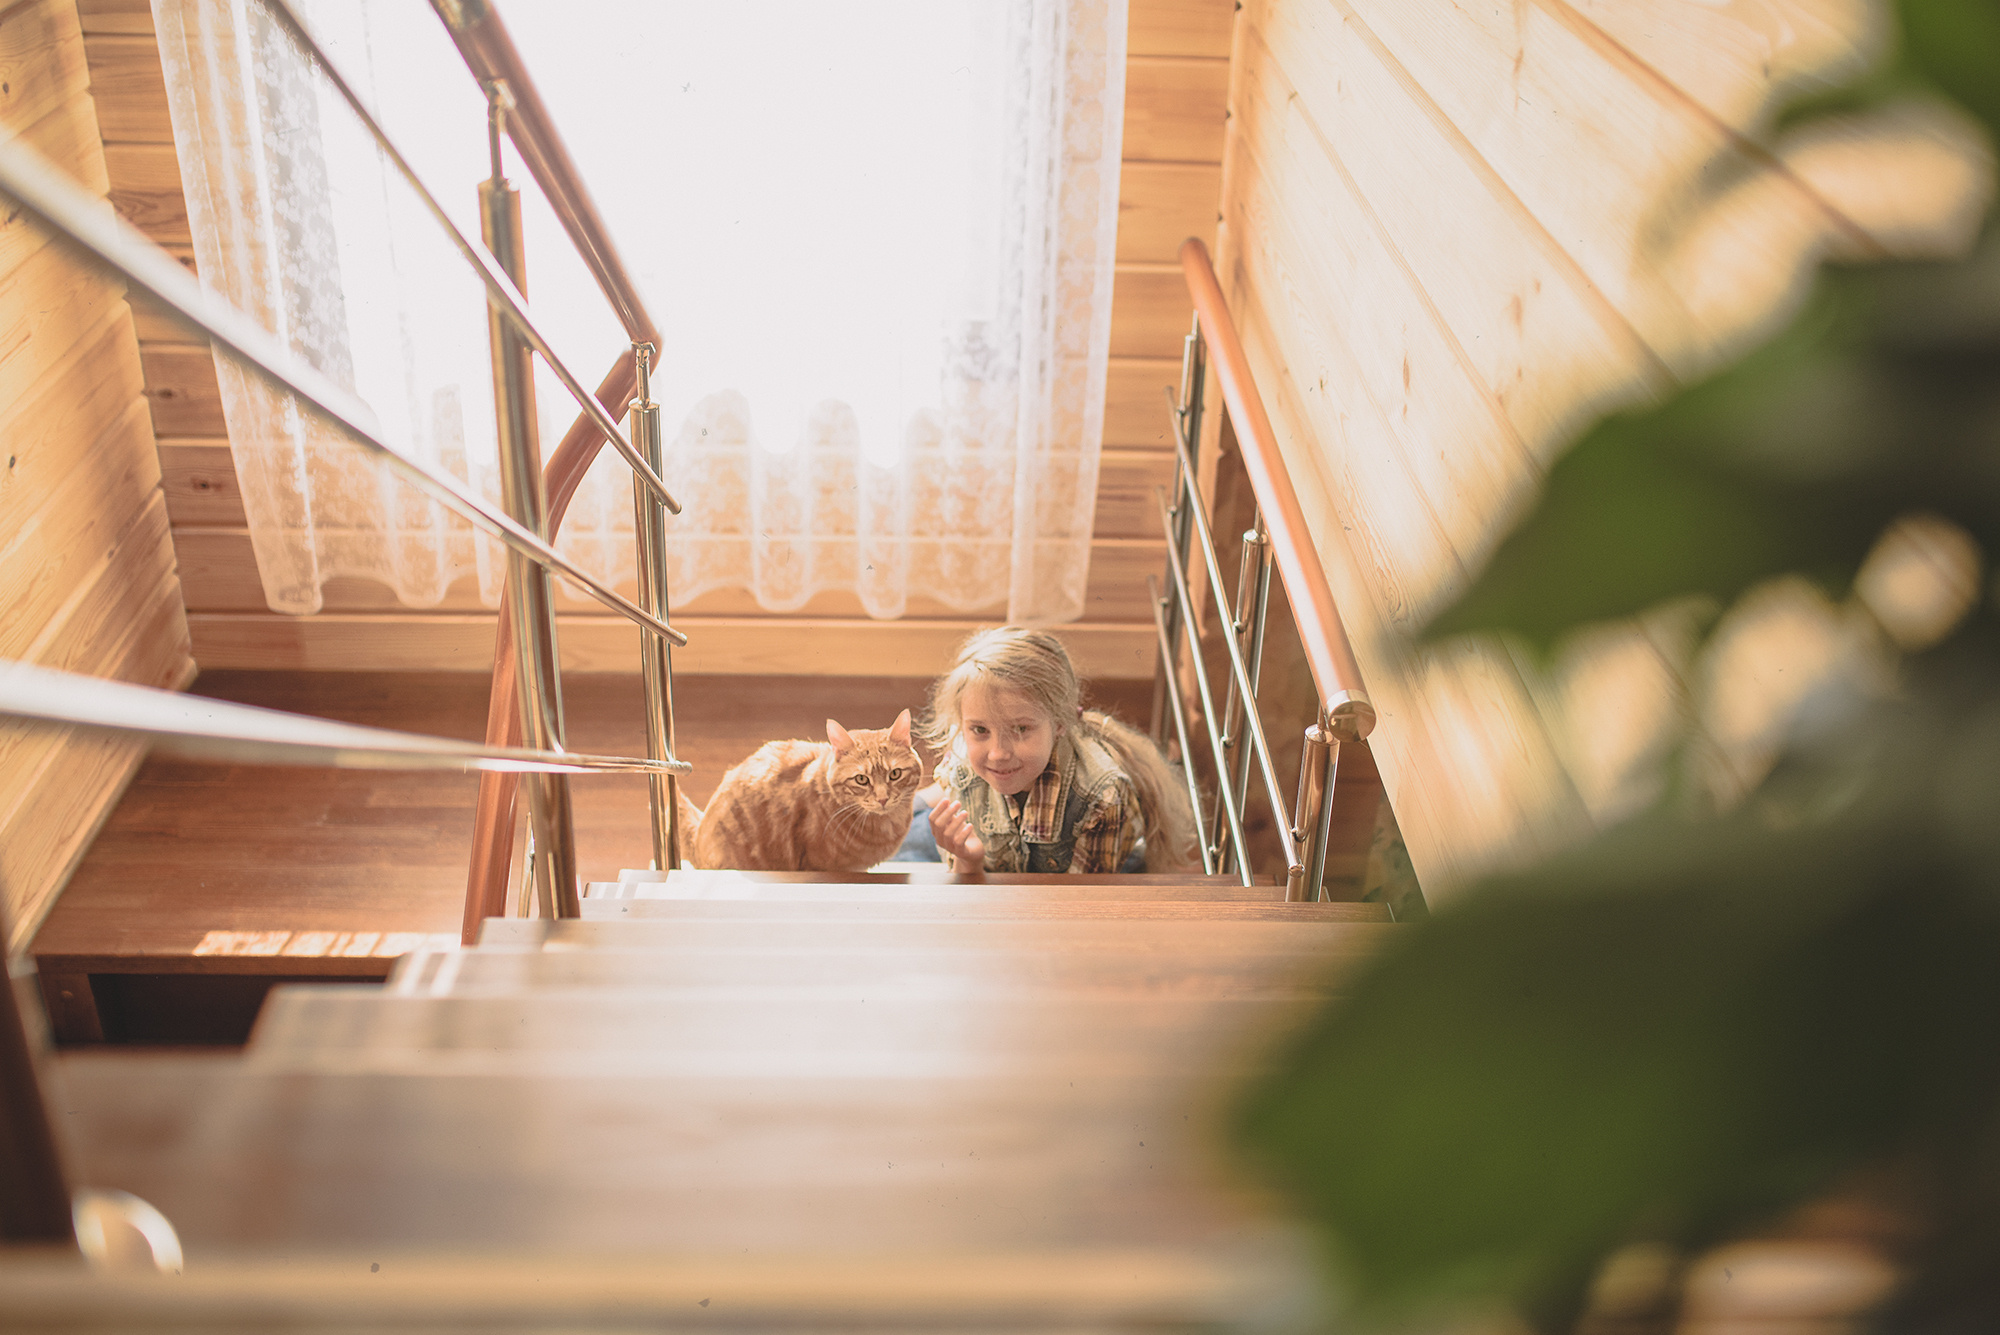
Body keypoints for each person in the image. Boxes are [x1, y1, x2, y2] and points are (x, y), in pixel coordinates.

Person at [896, 626, 1199, 873]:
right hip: (996, 861)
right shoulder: (961, 768)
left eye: (1021, 729)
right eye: (980, 730)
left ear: (1059, 723)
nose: (998, 753)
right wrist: (967, 861)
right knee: (895, 849)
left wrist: (978, 870)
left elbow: (1072, 912)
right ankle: (925, 800)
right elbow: (965, 883)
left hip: (1081, 879)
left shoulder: (1103, 797)